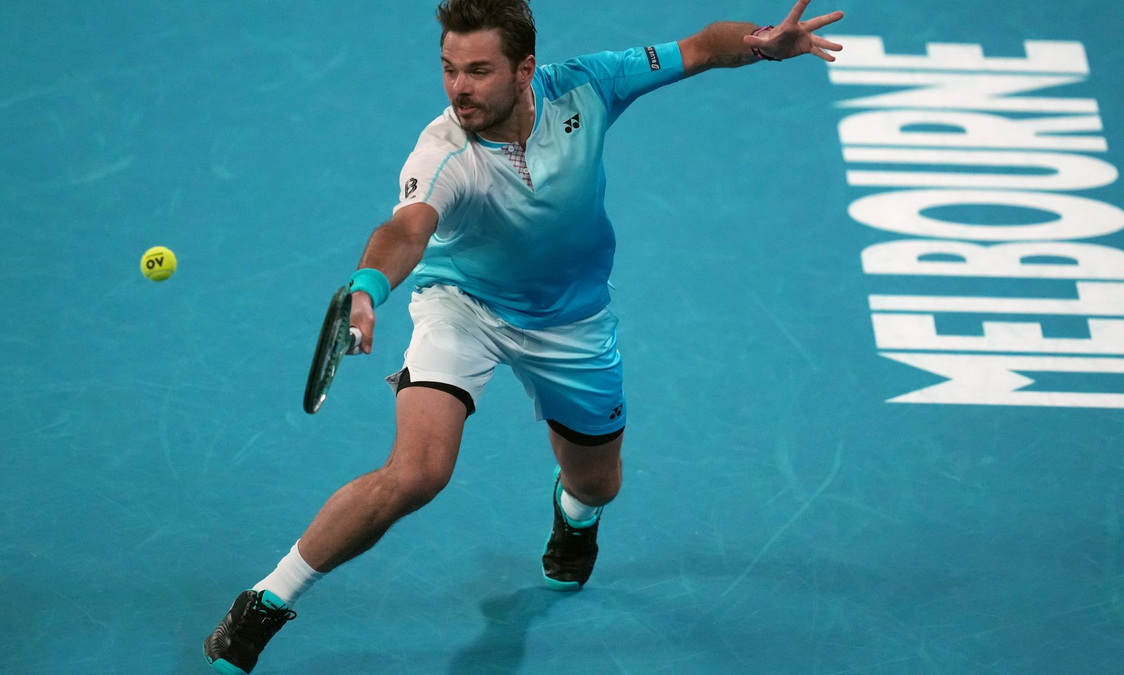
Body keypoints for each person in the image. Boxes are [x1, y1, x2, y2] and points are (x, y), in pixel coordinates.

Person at [203, 0, 843, 672]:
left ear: (525, 70)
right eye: (449, 69)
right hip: (463, 309)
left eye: (478, 70)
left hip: (572, 321)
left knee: (598, 484)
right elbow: (406, 230)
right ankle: (265, 601)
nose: (460, 87)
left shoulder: (588, 85)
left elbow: (702, 47)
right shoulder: (443, 152)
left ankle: (574, 514)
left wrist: (763, 43)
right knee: (418, 471)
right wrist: (367, 288)